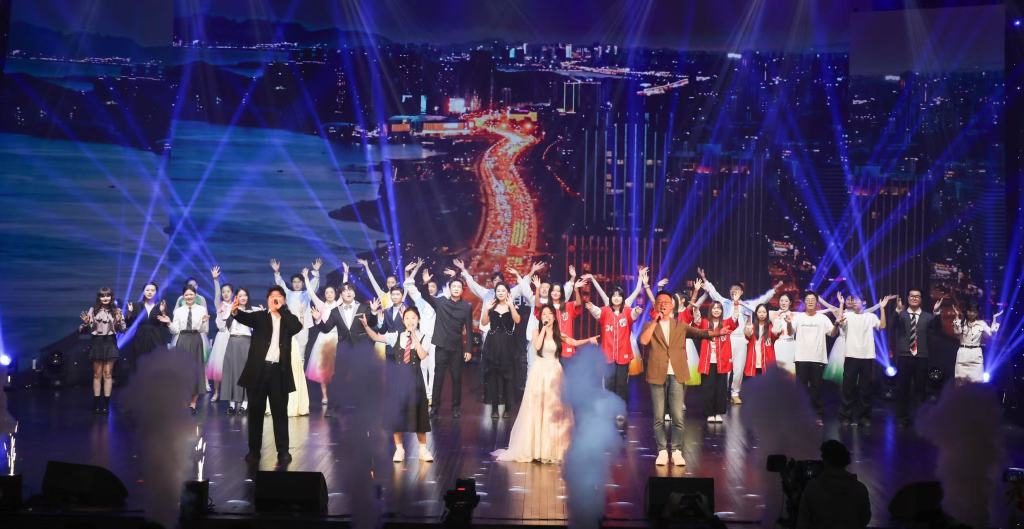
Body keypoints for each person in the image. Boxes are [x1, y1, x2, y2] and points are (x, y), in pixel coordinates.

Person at [494, 304, 595, 463]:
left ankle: (551, 447)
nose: (546, 317)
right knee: (538, 407)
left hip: (555, 372)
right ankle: (535, 447)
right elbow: (537, 346)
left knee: (553, 407)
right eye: (544, 315)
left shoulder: (558, 334)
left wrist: (589, 340)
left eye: (549, 314)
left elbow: (573, 342)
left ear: (554, 316)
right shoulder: (536, 331)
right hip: (540, 372)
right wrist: (543, 329)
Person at [639, 291, 720, 466]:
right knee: (659, 417)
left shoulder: (680, 325)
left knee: (677, 416)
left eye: (666, 302)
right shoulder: (649, 325)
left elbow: (699, 333)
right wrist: (655, 321)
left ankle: (676, 451)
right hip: (657, 374)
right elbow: (644, 341)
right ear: (655, 306)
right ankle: (662, 451)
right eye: (659, 302)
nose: (663, 304)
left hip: (677, 373)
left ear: (672, 306)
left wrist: (717, 333)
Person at [231, 286, 303, 465]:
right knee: (255, 413)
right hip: (258, 371)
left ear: (284, 300)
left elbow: (297, 327)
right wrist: (235, 312)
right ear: (267, 299)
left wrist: (282, 310)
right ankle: (254, 451)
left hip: (279, 372)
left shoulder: (289, 319)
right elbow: (244, 317)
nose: (275, 298)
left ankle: (283, 452)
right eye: (272, 296)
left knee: (280, 414)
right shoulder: (260, 316)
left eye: (279, 296)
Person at [360, 306, 434, 463]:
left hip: (415, 381)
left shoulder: (425, 337)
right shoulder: (396, 336)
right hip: (398, 382)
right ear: (403, 320)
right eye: (407, 318)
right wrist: (366, 326)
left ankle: (423, 449)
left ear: (418, 320)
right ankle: (399, 449)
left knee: (419, 415)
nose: (410, 321)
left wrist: (414, 336)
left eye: (413, 318)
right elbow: (376, 337)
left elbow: (422, 355)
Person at [697, 267, 780, 405]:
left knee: (739, 368)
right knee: (725, 367)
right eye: (732, 289)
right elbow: (713, 292)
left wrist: (774, 290)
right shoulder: (724, 302)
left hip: (741, 340)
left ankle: (735, 393)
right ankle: (723, 393)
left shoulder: (748, 305)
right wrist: (704, 279)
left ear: (741, 292)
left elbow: (763, 300)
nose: (734, 291)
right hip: (726, 338)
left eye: (737, 289)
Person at [585, 269, 646, 421]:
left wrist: (637, 311)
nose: (616, 298)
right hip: (608, 355)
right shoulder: (605, 311)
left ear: (623, 298)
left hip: (623, 354)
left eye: (619, 296)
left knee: (621, 384)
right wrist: (591, 307)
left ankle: (620, 410)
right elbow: (597, 311)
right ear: (611, 297)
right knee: (609, 384)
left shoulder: (627, 310)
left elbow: (634, 312)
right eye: (614, 296)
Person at [416, 270, 474, 419]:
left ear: (462, 290)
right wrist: (426, 283)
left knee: (456, 379)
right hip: (441, 347)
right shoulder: (441, 302)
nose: (456, 289)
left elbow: (469, 329)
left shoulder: (466, 307)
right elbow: (425, 296)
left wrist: (468, 349)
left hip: (457, 348)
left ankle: (456, 408)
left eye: (459, 287)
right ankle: (434, 408)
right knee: (438, 378)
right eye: (453, 286)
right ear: (449, 288)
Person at [271, 258, 321, 416]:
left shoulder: (307, 294)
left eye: (299, 282)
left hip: (303, 327)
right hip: (289, 328)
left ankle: (299, 383)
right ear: (292, 283)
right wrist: (277, 272)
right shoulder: (289, 294)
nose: (297, 284)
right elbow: (280, 285)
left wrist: (315, 272)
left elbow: (314, 285)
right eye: (295, 282)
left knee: (301, 355)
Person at [837, 293, 895, 426]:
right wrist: (841, 304)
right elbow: (840, 322)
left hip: (867, 356)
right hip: (851, 355)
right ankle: (846, 416)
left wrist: (882, 308)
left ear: (864, 302)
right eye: (852, 300)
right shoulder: (848, 315)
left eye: (856, 300)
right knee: (848, 388)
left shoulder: (870, 316)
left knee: (865, 388)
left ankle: (864, 417)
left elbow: (882, 326)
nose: (853, 302)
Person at [785, 292, 840, 422]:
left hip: (818, 358)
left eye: (812, 299)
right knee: (801, 388)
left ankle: (817, 415)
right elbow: (790, 332)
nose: (810, 301)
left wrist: (837, 324)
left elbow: (832, 334)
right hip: (801, 358)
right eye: (808, 299)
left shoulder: (823, 318)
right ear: (804, 302)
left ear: (816, 303)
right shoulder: (799, 317)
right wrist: (788, 323)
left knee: (817, 388)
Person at [682, 300, 739, 423]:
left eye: (719, 308)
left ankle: (718, 412)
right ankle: (709, 413)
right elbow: (697, 321)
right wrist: (696, 309)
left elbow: (734, 319)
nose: (716, 310)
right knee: (708, 388)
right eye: (714, 308)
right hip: (708, 361)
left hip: (722, 362)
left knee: (721, 388)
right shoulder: (705, 322)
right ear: (710, 310)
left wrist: (735, 304)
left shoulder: (726, 323)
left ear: (722, 311)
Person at [889, 290, 941, 426]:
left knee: (920, 390)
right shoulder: (902, 315)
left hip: (921, 356)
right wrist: (897, 311)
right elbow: (892, 326)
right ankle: (902, 418)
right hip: (904, 356)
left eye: (917, 296)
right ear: (908, 298)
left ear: (921, 299)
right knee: (902, 389)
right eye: (912, 296)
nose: (914, 298)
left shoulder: (928, 316)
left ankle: (920, 419)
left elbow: (937, 329)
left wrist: (936, 313)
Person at [796, 440, 871, 529]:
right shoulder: (860, 489)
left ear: (826, 460)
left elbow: (802, 523)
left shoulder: (812, 488)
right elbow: (865, 519)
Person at [79, 287, 127, 414]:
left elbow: (122, 329)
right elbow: (84, 329)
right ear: (99, 298)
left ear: (111, 297)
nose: (105, 298)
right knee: (97, 374)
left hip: (110, 343)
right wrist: (86, 323)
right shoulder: (93, 310)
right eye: (102, 296)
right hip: (97, 343)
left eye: (107, 296)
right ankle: (96, 403)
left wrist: (118, 321)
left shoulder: (117, 311)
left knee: (108, 374)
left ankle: (106, 405)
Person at [165, 286, 210, 414]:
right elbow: (175, 330)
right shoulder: (179, 311)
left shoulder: (202, 309)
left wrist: (203, 322)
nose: (189, 297)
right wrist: (169, 323)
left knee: (196, 371)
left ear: (195, 295)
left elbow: (204, 330)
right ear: (183, 297)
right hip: (182, 339)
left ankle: (193, 404)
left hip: (196, 339)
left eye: (191, 294)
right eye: (186, 295)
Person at [480, 283, 522, 419]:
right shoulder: (491, 306)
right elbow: (484, 323)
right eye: (498, 290)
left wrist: (511, 306)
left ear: (508, 292)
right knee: (493, 377)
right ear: (495, 292)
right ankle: (494, 409)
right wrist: (486, 309)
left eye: (503, 290)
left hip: (507, 344)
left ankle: (508, 408)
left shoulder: (512, 306)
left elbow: (517, 320)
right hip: (493, 344)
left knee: (507, 377)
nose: (501, 293)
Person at [304, 266, 344, 406]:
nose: (329, 294)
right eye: (327, 292)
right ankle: (325, 395)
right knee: (323, 369)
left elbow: (344, 289)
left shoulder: (339, 304)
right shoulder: (321, 305)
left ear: (336, 293)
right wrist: (306, 278)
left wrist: (346, 274)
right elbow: (311, 293)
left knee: (336, 369)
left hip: (336, 339)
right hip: (323, 339)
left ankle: (336, 394)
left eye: (331, 292)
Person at [220, 287, 255, 415]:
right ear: (236, 297)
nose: (243, 297)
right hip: (233, 342)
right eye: (240, 295)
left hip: (246, 343)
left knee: (245, 373)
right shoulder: (230, 309)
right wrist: (228, 310)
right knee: (231, 372)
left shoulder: (252, 311)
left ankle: (244, 404)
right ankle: (231, 404)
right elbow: (222, 324)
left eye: (245, 295)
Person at [951, 302, 1002, 384]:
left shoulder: (981, 323)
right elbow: (957, 332)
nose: (972, 313)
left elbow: (992, 334)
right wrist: (957, 316)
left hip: (976, 356)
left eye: (974, 311)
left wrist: (994, 319)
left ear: (977, 312)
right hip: (963, 355)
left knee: (977, 384)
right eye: (970, 311)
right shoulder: (960, 322)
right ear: (966, 311)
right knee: (960, 384)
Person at [124, 282, 169, 373]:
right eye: (147, 290)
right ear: (143, 292)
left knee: (156, 364)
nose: (150, 292)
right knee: (139, 364)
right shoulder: (136, 305)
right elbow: (128, 324)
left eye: (152, 290)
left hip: (156, 338)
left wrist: (163, 312)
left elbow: (165, 324)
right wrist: (129, 312)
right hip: (140, 338)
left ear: (156, 292)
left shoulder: (160, 306)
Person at [207, 266, 232, 402]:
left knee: (231, 365)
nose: (225, 294)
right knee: (218, 365)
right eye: (224, 292)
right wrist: (216, 280)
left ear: (232, 293)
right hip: (222, 337)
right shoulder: (219, 304)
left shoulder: (235, 305)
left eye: (228, 291)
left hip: (232, 337)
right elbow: (216, 295)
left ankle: (232, 393)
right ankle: (216, 392)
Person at [743, 303, 781, 378]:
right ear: (756, 313)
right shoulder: (751, 327)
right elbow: (747, 336)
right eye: (759, 312)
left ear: (767, 314)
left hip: (767, 362)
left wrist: (776, 328)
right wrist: (747, 327)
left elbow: (776, 335)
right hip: (753, 362)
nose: (762, 314)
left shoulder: (771, 328)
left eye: (764, 312)